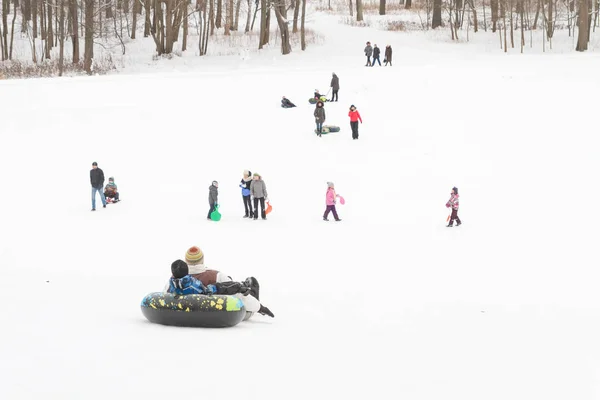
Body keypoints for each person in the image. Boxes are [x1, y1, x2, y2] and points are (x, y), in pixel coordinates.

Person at [164, 246, 274, 318]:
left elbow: (164, 297)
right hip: (225, 313)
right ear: (202, 260)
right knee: (238, 290)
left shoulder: (173, 282)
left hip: (185, 313)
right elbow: (237, 296)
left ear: (186, 261)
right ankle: (253, 294)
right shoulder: (215, 275)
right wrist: (259, 307)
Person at [168, 260, 252, 296]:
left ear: (173, 273)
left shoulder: (171, 286)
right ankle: (241, 286)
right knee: (218, 287)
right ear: (187, 272)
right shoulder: (192, 285)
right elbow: (205, 291)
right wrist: (236, 286)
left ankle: (235, 283)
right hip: (203, 294)